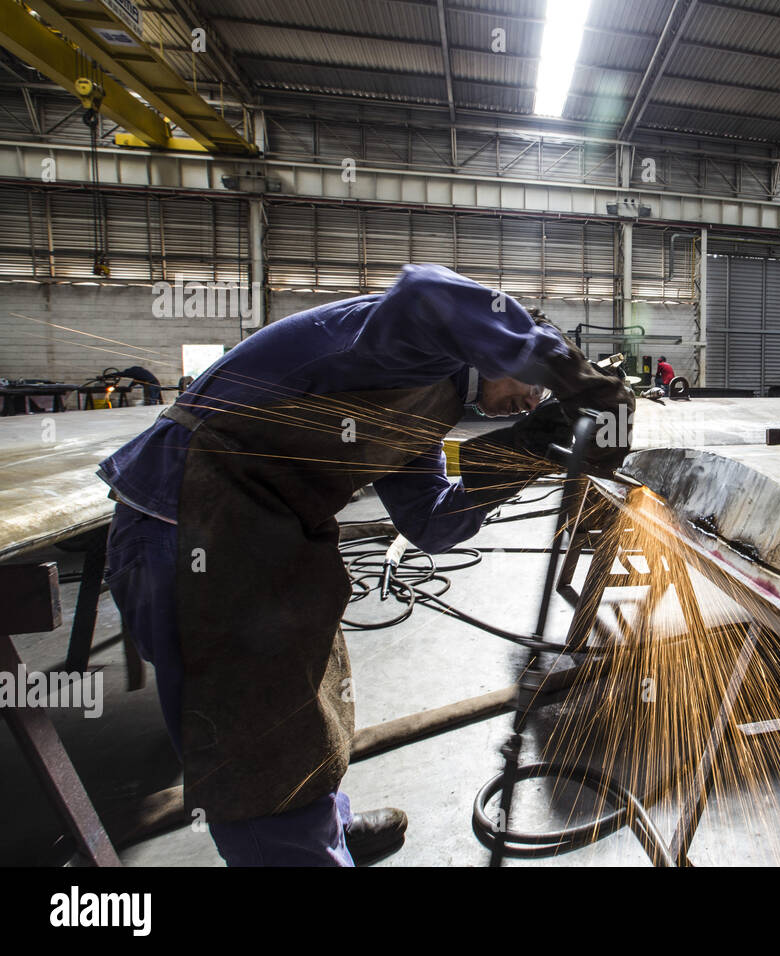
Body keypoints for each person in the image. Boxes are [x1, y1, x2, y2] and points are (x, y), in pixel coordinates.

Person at [97, 264, 634, 866]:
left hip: (264, 535)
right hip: (188, 526)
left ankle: (322, 828)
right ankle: (295, 851)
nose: (532, 399)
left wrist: (524, 450)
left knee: (299, 704)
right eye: (533, 384)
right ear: (502, 344)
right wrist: (578, 380)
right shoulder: (407, 341)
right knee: (253, 740)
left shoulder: (427, 406)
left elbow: (433, 524)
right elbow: (425, 289)